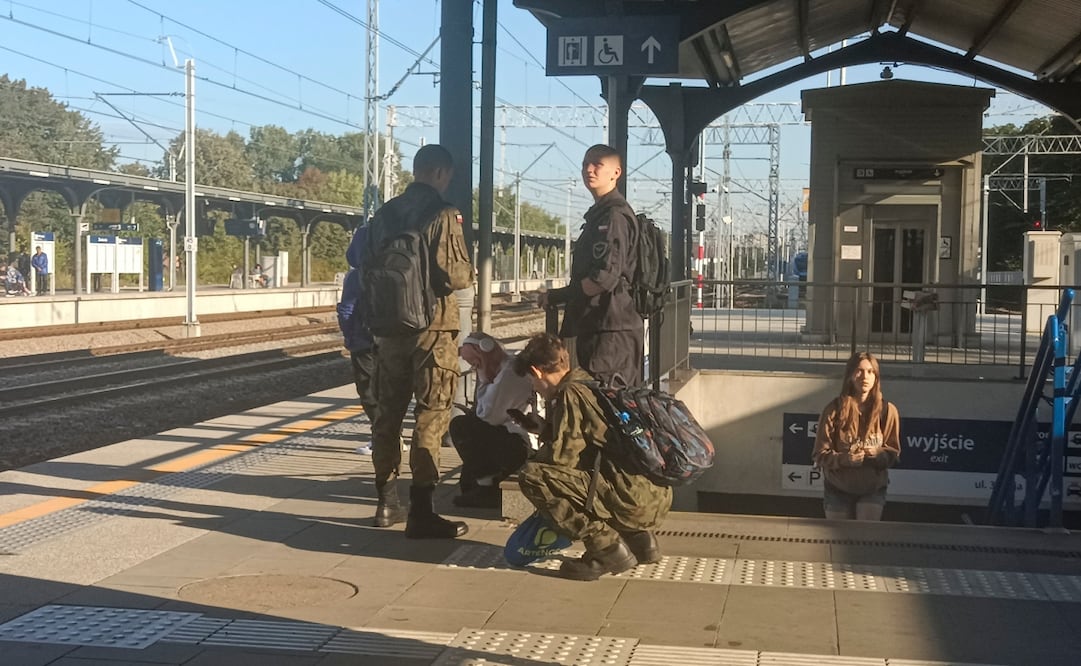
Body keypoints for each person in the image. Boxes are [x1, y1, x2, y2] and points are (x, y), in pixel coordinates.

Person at [364, 144, 475, 539]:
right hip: (432, 331)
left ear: (416, 171)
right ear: (443, 173)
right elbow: (456, 276)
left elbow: (365, 263)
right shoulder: (444, 215)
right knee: (431, 414)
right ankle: (422, 511)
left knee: (387, 415)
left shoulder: (385, 213)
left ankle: (385, 501)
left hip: (389, 330)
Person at [514, 333, 672, 581]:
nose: (535, 389)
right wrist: (545, 430)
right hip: (651, 495)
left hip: (629, 497)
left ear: (537, 372)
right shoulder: (591, 383)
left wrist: (536, 455)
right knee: (589, 476)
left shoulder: (571, 394)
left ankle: (605, 548)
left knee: (533, 476)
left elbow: (563, 459)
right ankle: (641, 541)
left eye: (532, 382)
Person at [536, 144, 643, 387]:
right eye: (585, 164)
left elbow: (603, 278)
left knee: (608, 405)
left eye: (597, 164)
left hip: (611, 331)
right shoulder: (601, 214)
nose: (589, 170)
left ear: (616, 173)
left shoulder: (613, 217)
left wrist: (557, 295)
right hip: (600, 327)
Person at [449, 332, 535, 508]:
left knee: (461, 426)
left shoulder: (509, 374)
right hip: (511, 438)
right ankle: (486, 486)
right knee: (467, 485)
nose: (474, 367)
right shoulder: (502, 370)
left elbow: (488, 416)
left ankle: (488, 490)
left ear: (485, 352)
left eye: (475, 362)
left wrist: (483, 380)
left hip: (519, 444)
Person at [812, 352, 901, 521]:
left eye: (870, 371)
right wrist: (845, 459)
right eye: (859, 371)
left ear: (876, 376)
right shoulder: (834, 409)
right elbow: (819, 455)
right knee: (838, 542)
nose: (865, 377)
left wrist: (878, 454)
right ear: (850, 375)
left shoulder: (888, 411)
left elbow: (894, 454)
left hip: (872, 488)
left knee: (865, 537)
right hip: (837, 488)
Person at [339, 224, 380, 455]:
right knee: (389, 391)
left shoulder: (356, 276)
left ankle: (382, 440)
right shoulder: (392, 271)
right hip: (391, 340)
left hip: (364, 342)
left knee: (369, 392)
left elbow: (347, 309)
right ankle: (392, 437)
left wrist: (348, 336)